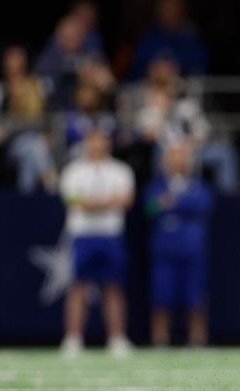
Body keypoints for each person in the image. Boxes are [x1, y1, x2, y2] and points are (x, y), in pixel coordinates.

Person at [59, 129, 135, 358]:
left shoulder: (121, 171)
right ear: (86, 143)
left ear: (108, 143)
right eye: (92, 140)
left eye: (101, 140)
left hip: (111, 235)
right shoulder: (73, 171)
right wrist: (107, 202)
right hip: (82, 235)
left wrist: (92, 203)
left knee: (113, 286)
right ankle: (73, 338)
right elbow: (74, 201)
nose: (97, 145)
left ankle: (117, 337)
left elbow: (125, 200)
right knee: (77, 287)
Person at [144, 141, 214, 346]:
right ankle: (160, 339)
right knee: (161, 295)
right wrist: (168, 203)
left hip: (192, 249)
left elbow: (204, 205)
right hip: (163, 249)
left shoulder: (198, 186)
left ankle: (197, 339)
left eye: (182, 156)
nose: (178, 161)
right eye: (173, 156)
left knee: (196, 297)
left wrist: (173, 202)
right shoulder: (156, 186)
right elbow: (149, 208)